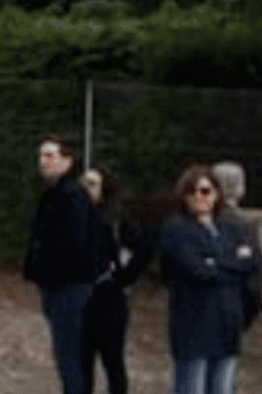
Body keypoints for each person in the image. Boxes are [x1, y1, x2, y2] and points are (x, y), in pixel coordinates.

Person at [159, 165, 258, 394]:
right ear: (183, 195)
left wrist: (214, 261)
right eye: (191, 191)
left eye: (205, 191)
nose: (199, 196)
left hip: (227, 328)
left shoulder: (232, 227)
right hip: (194, 329)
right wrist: (231, 261)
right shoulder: (176, 228)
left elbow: (250, 264)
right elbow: (198, 271)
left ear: (216, 194)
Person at [24, 136, 103, 394]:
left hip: (69, 286)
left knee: (70, 354)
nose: (43, 161)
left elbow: (74, 243)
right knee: (69, 353)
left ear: (67, 161)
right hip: (61, 285)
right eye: (41, 156)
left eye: (50, 156)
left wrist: (50, 271)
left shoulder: (71, 196)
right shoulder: (57, 194)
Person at [79, 166, 148, 394]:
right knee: (79, 365)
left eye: (91, 184)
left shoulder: (117, 219)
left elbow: (141, 250)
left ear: (104, 189)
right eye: (82, 183)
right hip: (77, 299)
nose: (85, 188)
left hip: (108, 298)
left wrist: (122, 277)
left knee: (113, 363)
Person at [209, 161, 262, 330]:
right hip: (233, 311)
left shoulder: (193, 222)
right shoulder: (245, 226)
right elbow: (255, 277)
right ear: (241, 189)